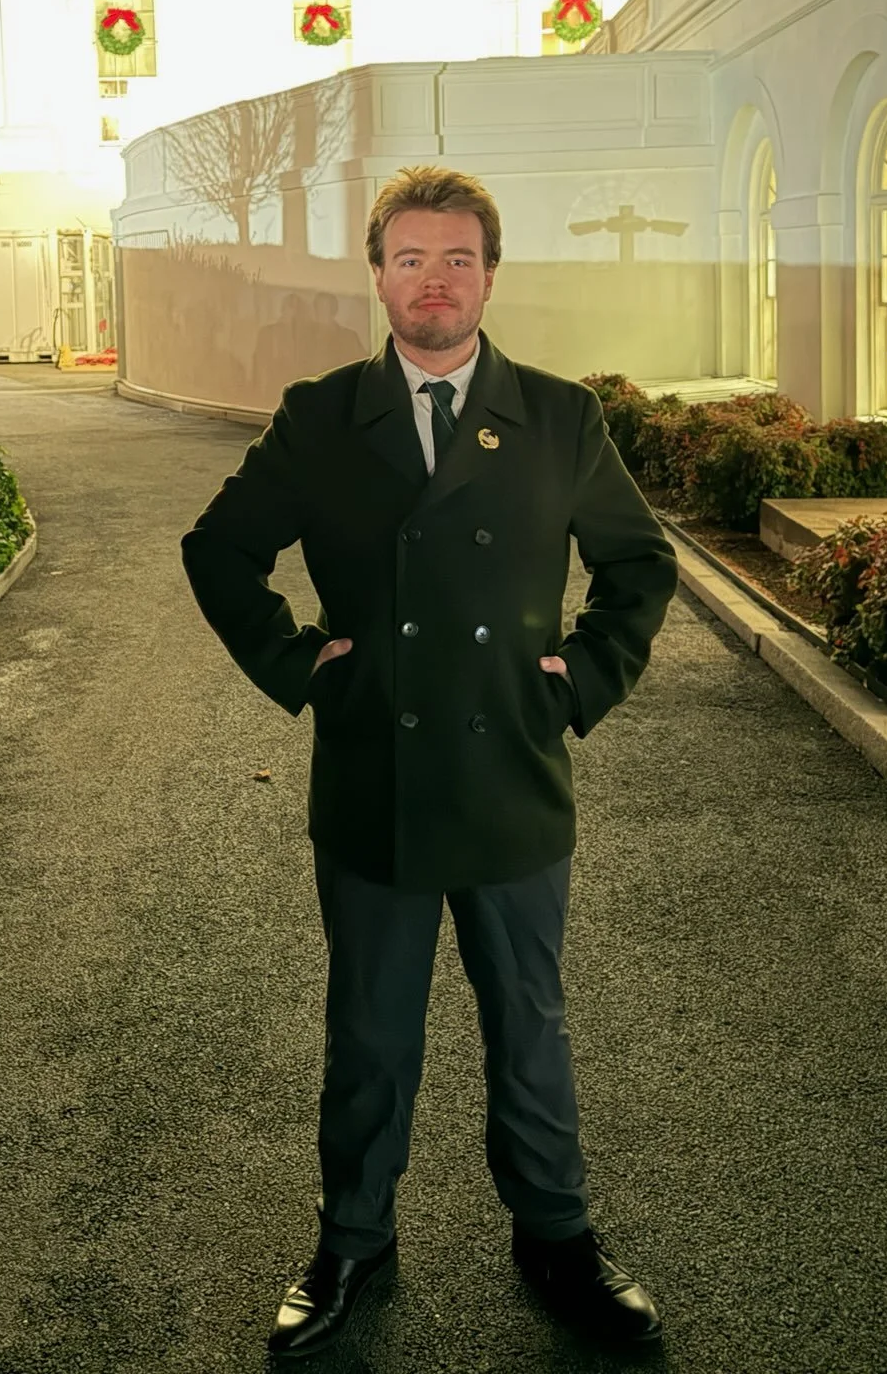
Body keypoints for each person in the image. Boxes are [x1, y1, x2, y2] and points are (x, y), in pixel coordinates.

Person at [181, 165, 678, 1357]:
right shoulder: (322, 414)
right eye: (411, 259)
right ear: (380, 277)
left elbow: (639, 565)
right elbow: (219, 550)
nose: (435, 281)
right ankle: (352, 1238)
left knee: (531, 1021)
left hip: (511, 767)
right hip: (375, 778)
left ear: (491, 275)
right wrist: (308, 669)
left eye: (458, 259)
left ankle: (555, 1233)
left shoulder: (561, 415)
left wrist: (583, 677)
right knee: (368, 1033)